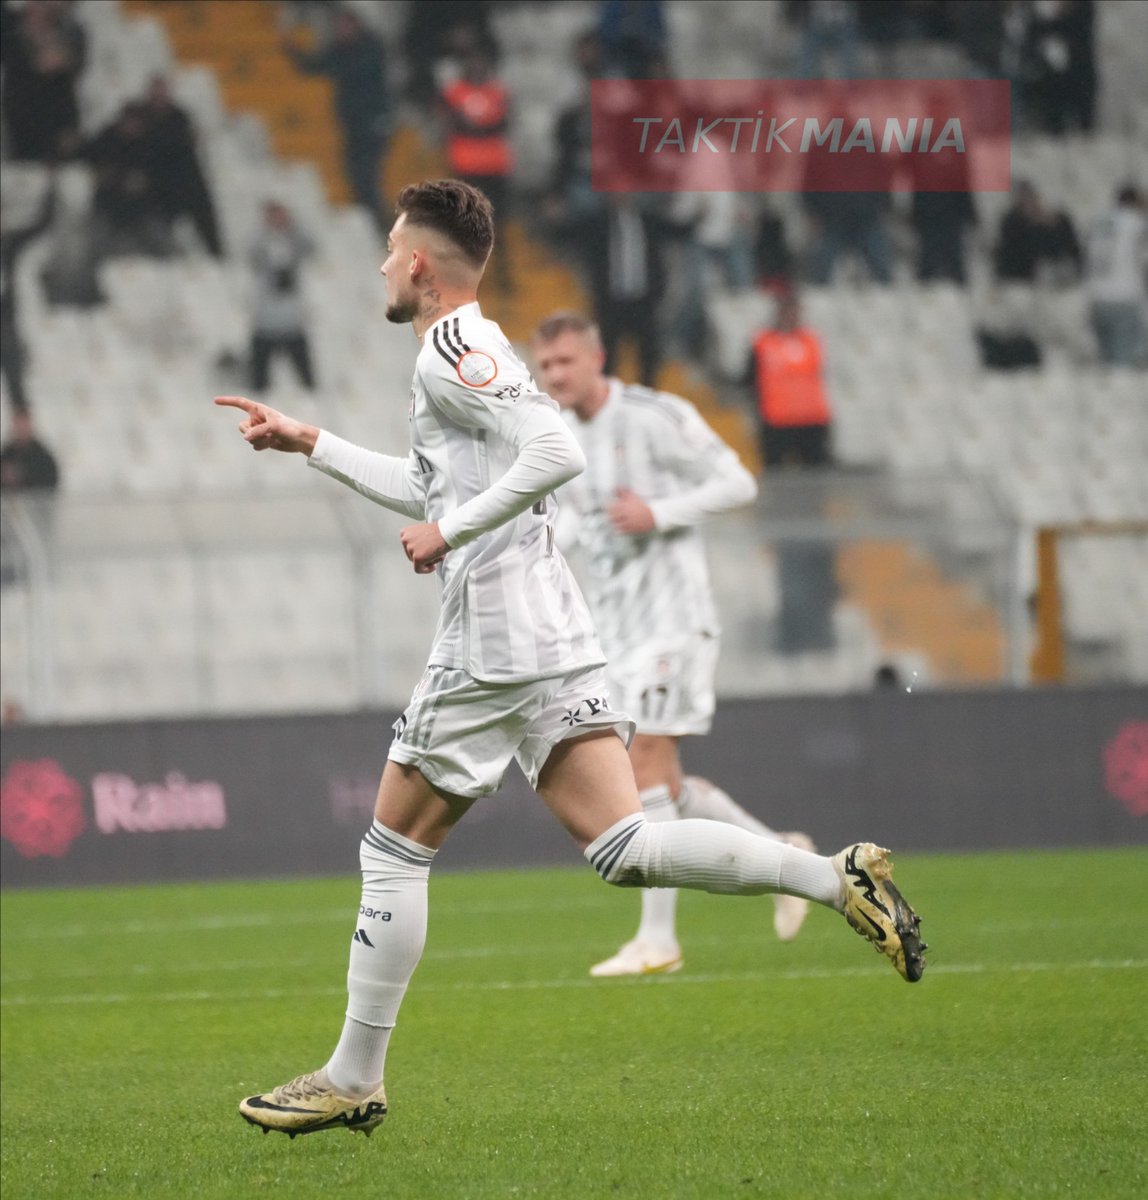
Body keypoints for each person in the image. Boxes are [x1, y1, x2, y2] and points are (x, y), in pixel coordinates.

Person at [216, 179, 926, 1140]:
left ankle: (354, 1075)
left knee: (393, 847)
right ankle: (833, 876)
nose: (383, 263)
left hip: (494, 640)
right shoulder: (468, 351)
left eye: (390, 248)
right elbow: (429, 484)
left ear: (420, 265)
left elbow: (553, 452)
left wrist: (451, 532)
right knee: (624, 847)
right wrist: (313, 444)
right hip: (556, 631)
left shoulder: (452, 346)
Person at [534, 310, 816, 976]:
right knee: (666, 783)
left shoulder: (655, 416)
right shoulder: (561, 438)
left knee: (640, 766)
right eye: (545, 367)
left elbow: (738, 481)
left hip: (673, 621)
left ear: (597, 357)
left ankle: (659, 940)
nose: (554, 376)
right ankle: (788, 857)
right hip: (613, 632)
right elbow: (575, 524)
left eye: (565, 362)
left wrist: (658, 512)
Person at [748, 294, 838, 654]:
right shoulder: (763, 343)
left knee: (812, 514)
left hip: (811, 431)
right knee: (786, 510)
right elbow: (750, 382)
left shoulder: (812, 342)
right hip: (778, 431)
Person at [283, 6, 391, 229]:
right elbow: (313, 66)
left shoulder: (370, 47)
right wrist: (292, 50)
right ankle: (370, 222)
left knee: (366, 174)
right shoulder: (342, 50)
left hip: (372, 122)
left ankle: (379, 223)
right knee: (354, 173)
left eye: (344, 25)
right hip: (351, 123)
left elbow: (351, 69)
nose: (340, 30)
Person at [1, 176, 58, 416]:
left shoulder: (8, 244)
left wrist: (52, 189)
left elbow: (42, 224)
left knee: (16, 378)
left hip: (5, 323)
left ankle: (22, 437)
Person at [248, 201, 317, 392]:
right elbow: (251, 255)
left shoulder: (294, 241)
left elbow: (312, 247)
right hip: (265, 322)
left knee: (308, 383)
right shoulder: (260, 243)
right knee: (258, 384)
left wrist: (292, 228)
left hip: (292, 322)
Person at [1084, 185, 1147, 368]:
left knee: (1108, 364)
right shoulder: (1136, 223)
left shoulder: (1098, 222)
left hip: (1096, 297)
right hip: (1125, 297)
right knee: (1123, 367)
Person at [993, 181, 1081, 284]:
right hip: (1017, 273)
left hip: (1048, 267)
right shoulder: (1011, 221)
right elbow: (1012, 249)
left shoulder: (1052, 219)